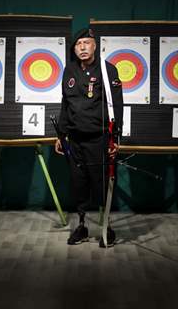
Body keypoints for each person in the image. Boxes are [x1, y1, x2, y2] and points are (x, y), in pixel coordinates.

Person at [55, 27, 123, 246]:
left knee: (102, 183)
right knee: (78, 183)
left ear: (95, 45)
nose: (82, 48)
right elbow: (65, 103)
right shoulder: (69, 70)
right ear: (74, 49)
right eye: (78, 44)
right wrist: (61, 134)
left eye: (86, 43)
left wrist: (116, 139)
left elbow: (117, 106)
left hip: (99, 139)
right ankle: (82, 226)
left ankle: (107, 228)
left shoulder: (108, 70)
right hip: (74, 139)